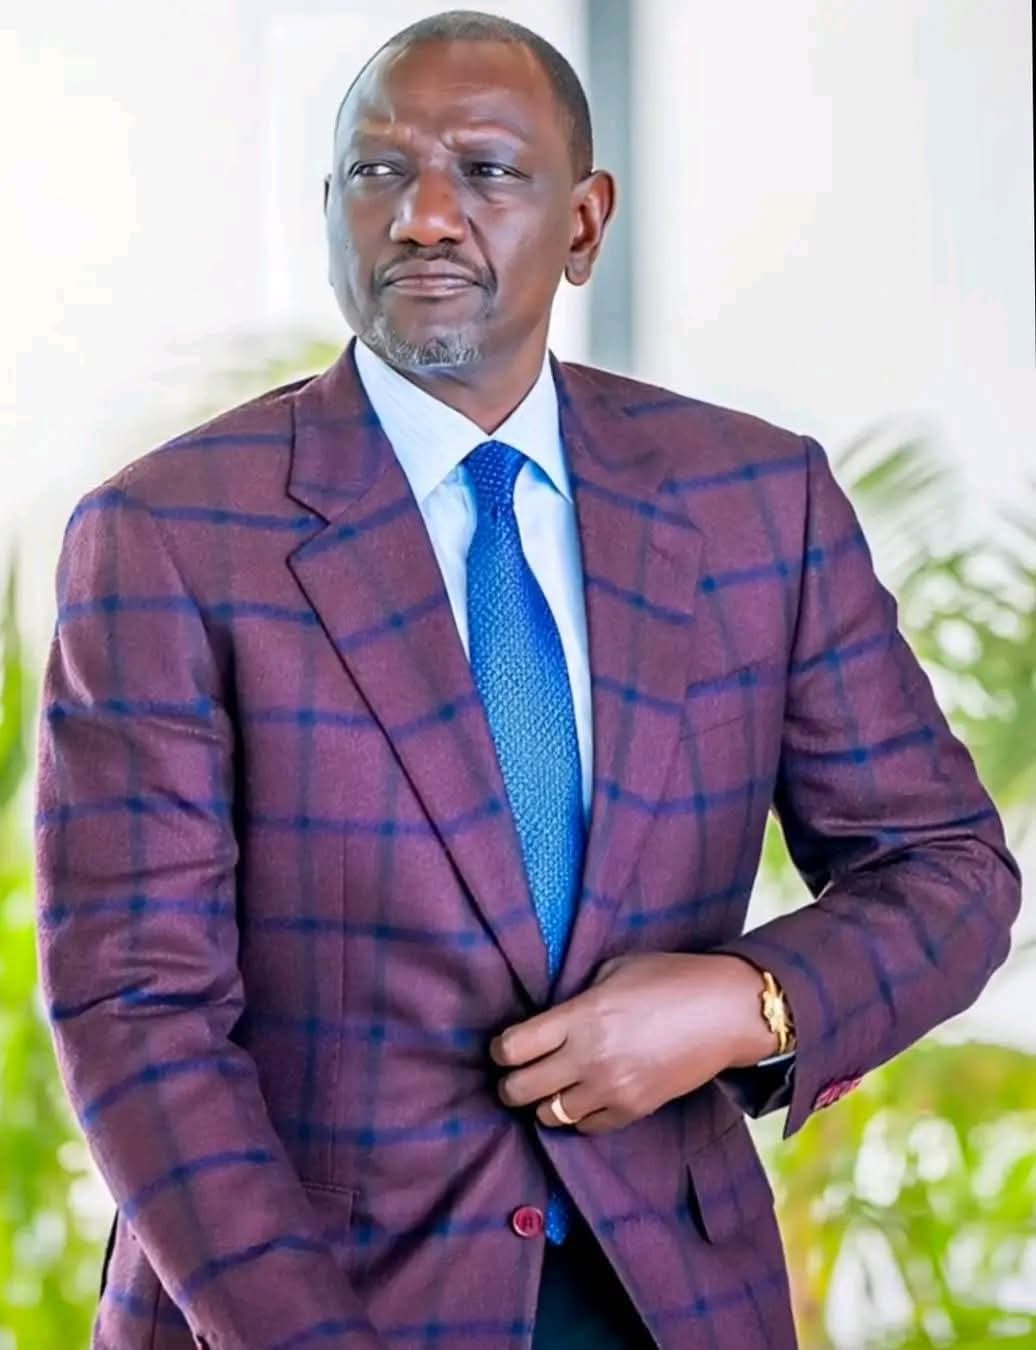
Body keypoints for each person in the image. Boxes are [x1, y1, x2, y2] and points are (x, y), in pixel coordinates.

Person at [35, 10, 1021, 1350]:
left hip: (672, 1300)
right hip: (299, 1305)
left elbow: (947, 868)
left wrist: (747, 1003)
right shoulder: (169, 534)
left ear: (584, 222)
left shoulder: (755, 502)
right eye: (379, 171)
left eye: (487, 170)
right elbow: (137, 1011)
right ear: (329, 209)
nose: (425, 216)